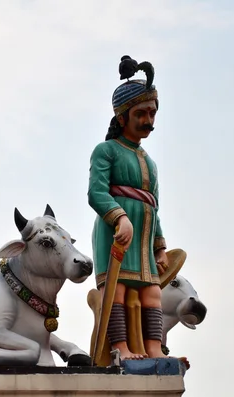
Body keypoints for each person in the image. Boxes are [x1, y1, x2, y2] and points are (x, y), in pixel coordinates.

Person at [87, 55, 169, 360]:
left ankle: (154, 349)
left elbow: (154, 207)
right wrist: (119, 218)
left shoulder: (150, 161)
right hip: (116, 234)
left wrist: (159, 247)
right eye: (141, 114)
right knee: (117, 291)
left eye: (152, 113)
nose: (149, 121)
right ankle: (120, 347)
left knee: (152, 292)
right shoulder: (106, 151)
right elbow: (96, 193)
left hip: (144, 240)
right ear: (123, 118)